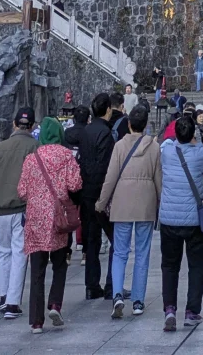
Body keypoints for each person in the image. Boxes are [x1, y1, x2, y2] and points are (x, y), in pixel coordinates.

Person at [97, 102, 161, 320]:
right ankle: (138, 301)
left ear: (129, 124)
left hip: (122, 203)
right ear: (145, 125)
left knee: (120, 252)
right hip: (145, 203)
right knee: (142, 253)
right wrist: (160, 205)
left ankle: (117, 295)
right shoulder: (154, 147)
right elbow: (158, 179)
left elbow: (110, 177)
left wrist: (101, 202)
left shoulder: (120, 146)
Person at [17, 115, 81, 331]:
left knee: (37, 270)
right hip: (57, 218)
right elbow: (75, 184)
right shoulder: (66, 155)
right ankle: (55, 303)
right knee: (60, 263)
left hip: (35, 221)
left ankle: (36, 321)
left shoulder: (31, 158)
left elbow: (22, 191)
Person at [158, 111, 203, 332]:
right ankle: (192, 311)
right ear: (193, 134)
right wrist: (198, 142)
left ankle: (170, 308)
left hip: (169, 219)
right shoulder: (199, 152)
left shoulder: (166, 150)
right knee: (196, 266)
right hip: (194, 219)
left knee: (169, 266)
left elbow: (164, 146)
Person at [0, 106, 38, 317]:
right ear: (32, 126)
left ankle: (3, 295)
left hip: (0, 208)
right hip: (22, 207)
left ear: (15, 124)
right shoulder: (35, 146)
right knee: (19, 253)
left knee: (2, 252)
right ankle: (13, 302)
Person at [64, 91, 116, 299]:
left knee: (91, 241)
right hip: (101, 192)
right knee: (116, 240)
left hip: (86, 192)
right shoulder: (105, 133)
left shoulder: (85, 132)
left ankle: (91, 285)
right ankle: (112, 284)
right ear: (108, 110)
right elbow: (106, 165)